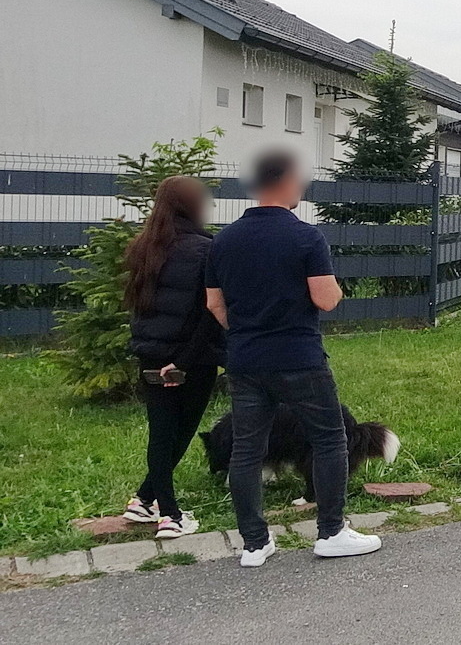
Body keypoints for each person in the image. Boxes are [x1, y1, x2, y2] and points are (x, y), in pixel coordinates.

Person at [206, 149, 381, 567]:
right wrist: (335, 290)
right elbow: (326, 299)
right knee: (329, 438)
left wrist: (248, 331)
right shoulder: (306, 236)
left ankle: (254, 544)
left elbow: (214, 304)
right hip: (299, 357)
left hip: (246, 360)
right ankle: (332, 532)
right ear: (283, 182)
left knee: (247, 449)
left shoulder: (224, 240)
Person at [122, 176, 226, 540]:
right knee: (179, 433)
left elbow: (140, 308)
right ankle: (170, 515)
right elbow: (208, 313)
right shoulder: (206, 249)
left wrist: (157, 354)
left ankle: (145, 500)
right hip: (191, 358)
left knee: (161, 431)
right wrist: (182, 360)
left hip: (149, 354)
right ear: (192, 205)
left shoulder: (141, 247)